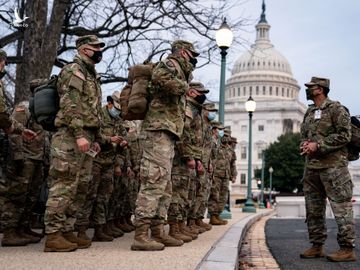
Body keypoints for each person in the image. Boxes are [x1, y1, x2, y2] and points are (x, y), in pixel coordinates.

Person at [43, 35, 122, 252]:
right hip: (70, 136)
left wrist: (95, 138)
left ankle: (67, 229)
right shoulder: (73, 70)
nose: (99, 50)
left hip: (86, 137)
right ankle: (53, 235)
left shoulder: (90, 74)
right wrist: (78, 134)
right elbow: (70, 105)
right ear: (84, 49)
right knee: (64, 185)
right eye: (95, 47)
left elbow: (92, 111)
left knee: (80, 187)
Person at [131, 40, 199, 251]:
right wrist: (185, 87)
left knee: (164, 186)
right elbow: (161, 79)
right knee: (153, 181)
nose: (193, 58)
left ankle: (157, 231)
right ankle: (141, 234)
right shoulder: (169, 64)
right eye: (191, 54)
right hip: (158, 130)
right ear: (182, 52)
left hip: (169, 132)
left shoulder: (180, 70)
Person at [299, 76, 356, 262]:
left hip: (334, 168)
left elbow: (345, 135)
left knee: (341, 208)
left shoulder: (336, 109)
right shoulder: (309, 112)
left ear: (320, 89)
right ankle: (316, 246)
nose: (307, 89)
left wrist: (319, 145)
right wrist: (305, 144)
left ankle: (347, 248)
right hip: (312, 168)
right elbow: (304, 135)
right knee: (313, 209)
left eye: (311, 87)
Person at [0, 50, 37, 247]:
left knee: (26, 195)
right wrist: (19, 155)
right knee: (13, 194)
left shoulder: (40, 110)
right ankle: (9, 232)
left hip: (36, 157)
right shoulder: (25, 107)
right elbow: (7, 123)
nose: (3, 66)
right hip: (25, 157)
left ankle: (21, 228)